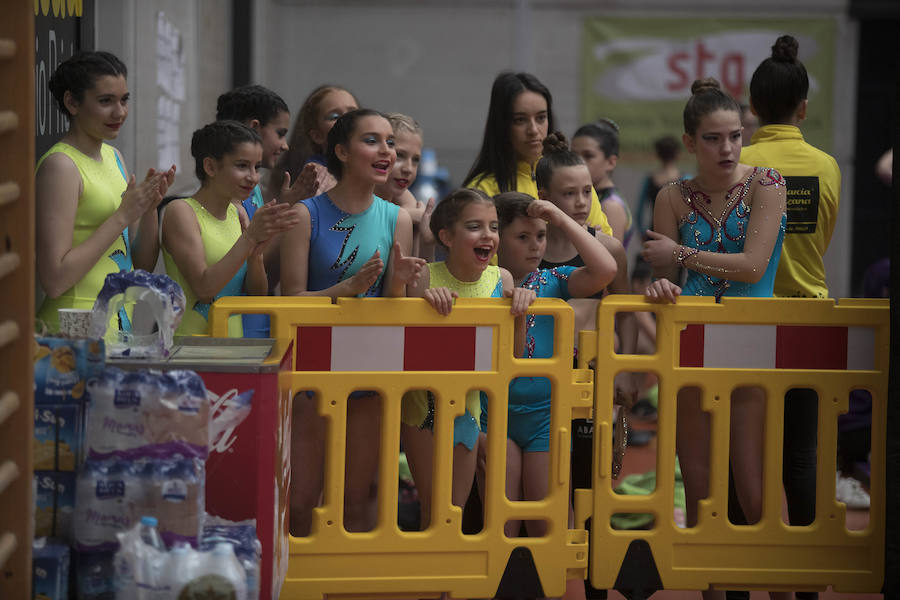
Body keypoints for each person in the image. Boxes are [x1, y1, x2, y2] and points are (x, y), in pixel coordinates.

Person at [641, 77, 786, 600]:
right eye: (712, 139)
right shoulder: (671, 197)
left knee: (754, 485)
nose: (726, 148)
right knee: (700, 488)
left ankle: (783, 591)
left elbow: (752, 267)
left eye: (735, 136)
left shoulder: (768, 182)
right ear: (689, 143)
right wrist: (660, 286)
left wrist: (676, 257)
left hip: (751, 341)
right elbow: (664, 282)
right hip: (692, 342)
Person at [280, 108, 426, 535]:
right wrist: (343, 291)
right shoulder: (306, 214)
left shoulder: (397, 218)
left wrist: (397, 285)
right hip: (310, 374)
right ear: (340, 151)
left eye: (389, 143)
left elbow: (393, 307)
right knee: (303, 499)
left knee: (355, 500)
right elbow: (289, 300)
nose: (386, 152)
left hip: (368, 374)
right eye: (372, 141)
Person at [738, 36, 843, 600]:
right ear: (803, 108)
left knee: (741, 450)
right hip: (809, 319)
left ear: (752, 108)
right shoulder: (826, 166)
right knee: (800, 453)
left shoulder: (740, 163)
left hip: (747, 322)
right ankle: (803, 581)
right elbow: (821, 238)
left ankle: (735, 577)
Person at [486, 191, 616, 600]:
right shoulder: (484, 282)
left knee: (546, 524)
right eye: (522, 237)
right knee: (503, 522)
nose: (535, 245)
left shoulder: (554, 281)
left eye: (540, 236)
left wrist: (561, 217)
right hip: (497, 414)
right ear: (497, 239)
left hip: (545, 416)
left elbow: (606, 269)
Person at [400, 188, 535, 531]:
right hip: (422, 413)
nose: (487, 235)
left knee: (453, 514)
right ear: (446, 236)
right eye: (475, 226)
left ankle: (448, 587)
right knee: (433, 510)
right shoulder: (426, 277)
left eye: (493, 226)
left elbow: (513, 357)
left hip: (467, 412)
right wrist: (423, 301)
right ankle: (430, 585)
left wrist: (519, 311)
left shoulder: (501, 279)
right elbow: (406, 350)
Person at [36, 50, 175, 333]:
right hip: (73, 327)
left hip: (119, 323)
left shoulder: (114, 157)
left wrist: (149, 209)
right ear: (72, 102)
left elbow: (142, 264)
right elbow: (54, 280)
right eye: (105, 101)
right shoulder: (61, 166)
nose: (119, 112)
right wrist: (122, 216)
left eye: (124, 100)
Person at [161, 121, 298, 337]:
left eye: (256, 167)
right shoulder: (181, 211)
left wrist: (256, 256)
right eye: (242, 166)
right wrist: (250, 238)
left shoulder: (238, 212)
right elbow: (204, 289)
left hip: (233, 346)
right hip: (187, 348)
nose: (253, 177)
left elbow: (256, 296)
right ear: (211, 167)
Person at [463, 71, 612, 237]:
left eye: (541, 118)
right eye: (520, 120)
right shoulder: (481, 190)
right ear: (502, 125)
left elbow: (608, 249)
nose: (533, 130)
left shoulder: (572, 174)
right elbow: (480, 258)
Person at [267, 84, 359, 203]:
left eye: (353, 113)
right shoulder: (318, 174)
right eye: (335, 116)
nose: (347, 119)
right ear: (317, 136)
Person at [572, 119, 633, 246]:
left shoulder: (611, 205)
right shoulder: (593, 196)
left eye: (588, 156)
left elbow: (612, 261)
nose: (579, 162)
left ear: (611, 162)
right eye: (574, 155)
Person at [373, 113, 427, 255]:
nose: (408, 169)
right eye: (400, 156)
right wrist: (406, 215)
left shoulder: (408, 202)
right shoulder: (354, 200)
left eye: (415, 160)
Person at [634, 135, 682, 239]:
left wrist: (644, 235)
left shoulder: (650, 180)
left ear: (658, 154)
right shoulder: (685, 180)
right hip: (679, 236)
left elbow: (639, 213)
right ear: (677, 154)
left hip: (654, 233)